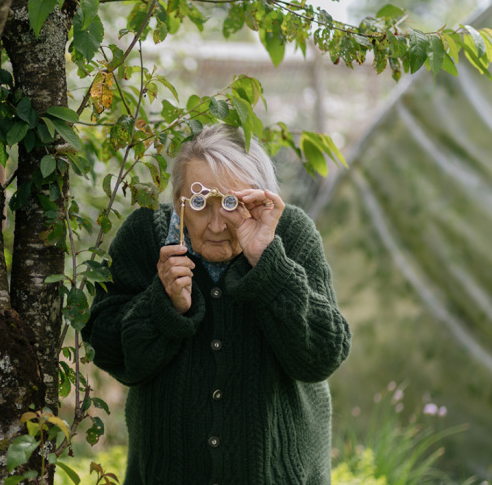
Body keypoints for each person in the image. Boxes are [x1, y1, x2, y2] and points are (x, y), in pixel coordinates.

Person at [82, 124, 351, 484]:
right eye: (198, 203)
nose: (216, 224)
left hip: (278, 474)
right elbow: (109, 351)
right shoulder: (146, 236)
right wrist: (163, 304)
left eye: (231, 203)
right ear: (178, 200)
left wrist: (269, 264)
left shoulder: (291, 234)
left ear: (260, 198)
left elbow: (322, 355)